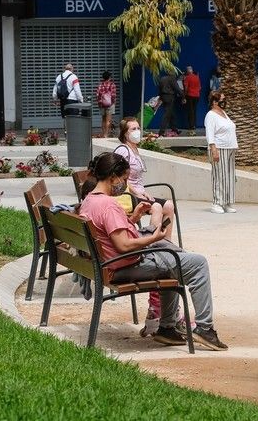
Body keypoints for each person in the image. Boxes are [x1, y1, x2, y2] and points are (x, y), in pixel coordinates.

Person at [78, 152, 228, 351]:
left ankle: (167, 328)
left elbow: (108, 235)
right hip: (124, 266)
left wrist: (133, 219)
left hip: (109, 264)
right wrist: (155, 238)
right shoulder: (108, 205)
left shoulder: (89, 201)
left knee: (175, 260)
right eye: (124, 179)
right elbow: (123, 246)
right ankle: (204, 328)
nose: (124, 185)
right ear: (113, 177)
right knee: (197, 263)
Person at [113, 116, 178, 337]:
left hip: (140, 193)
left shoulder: (136, 151)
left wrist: (143, 191)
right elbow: (123, 180)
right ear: (124, 133)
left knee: (168, 206)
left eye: (138, 128)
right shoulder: (123, 151)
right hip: (129, 196)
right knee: (159, 209)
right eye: (133, 129)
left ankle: (164, 242)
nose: (137, 131)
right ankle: (159, 244)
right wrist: (139, 193)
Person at [204, 91, 238, 214]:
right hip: (219, 148)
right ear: (214, 102)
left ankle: (227, 201)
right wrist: (213, 149)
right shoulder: (211, 115)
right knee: (220, 176)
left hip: (230, 148)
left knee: (229, 176)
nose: (224, 101)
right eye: (222, 99)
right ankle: (217, 202)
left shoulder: (224, 114)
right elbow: (210, 133)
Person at [95, 71, 117, 137]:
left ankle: (103, 133)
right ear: (109, 77)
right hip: (110, 104)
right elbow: (113, 95)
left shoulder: (100, 85)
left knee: (103, 120)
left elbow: (97, 95)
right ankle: (106, 134)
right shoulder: (112, 85)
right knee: (108, 120)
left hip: (102, 104)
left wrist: (99, 103)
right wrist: (113, 103)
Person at [183, 66, 201, 136]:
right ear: (192, 70)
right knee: (194, 110)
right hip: (197, 96)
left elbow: (186, 88)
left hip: (190, 95)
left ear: (187, 71)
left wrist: (184, 96)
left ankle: (191, 126)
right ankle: (194, 125)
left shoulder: (187, 77)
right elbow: (199, 87)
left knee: (190, 111)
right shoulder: (197, 77)